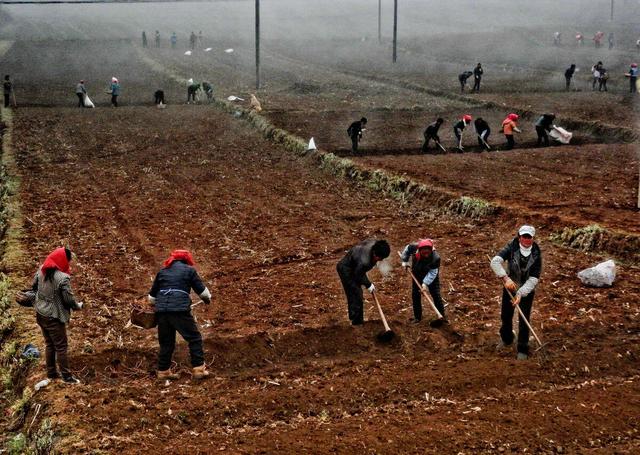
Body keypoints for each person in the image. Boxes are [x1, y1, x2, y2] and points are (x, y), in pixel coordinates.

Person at [149, 250, 212, 380]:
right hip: (179, 311)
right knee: (194, 338)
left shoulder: (163, 272)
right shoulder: (189, 271)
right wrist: (207, 300)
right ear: (187, 260)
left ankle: (163, 371)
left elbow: (151, 298)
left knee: (166, 342)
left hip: (162, 312)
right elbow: (204, 293)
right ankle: (199, 369)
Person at [490, 225, 542, 360]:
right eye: (524, 236)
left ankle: (523, 348)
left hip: (527, 289)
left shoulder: (536, 253)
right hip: (510, 286)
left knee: (524, 319)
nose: (526, 239)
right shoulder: (511, 248)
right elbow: (495, 262)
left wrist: (521, 293)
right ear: (519, 237)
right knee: (506, 316)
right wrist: (505, 278)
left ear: (533, 238)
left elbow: (534, 278)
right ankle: (507, 339)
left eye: (529, 237)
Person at [32, 247, 83, 384]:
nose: (69, 264)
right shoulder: (62, 278)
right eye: (69, 261)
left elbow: (34, 287)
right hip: (53, 316)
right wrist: (77, 306)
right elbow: (68, 299)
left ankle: (52, 373)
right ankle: (67, 377)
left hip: (40, 313)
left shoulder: (41, 269)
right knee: (61, 346)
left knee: (49, 344)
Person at [336, 239, 390, 326]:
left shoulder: (374, 246)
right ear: (375, 253)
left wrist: (366, 282)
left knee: (356, 293)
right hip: (345, 269)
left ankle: (355, 318)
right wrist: (368, 284)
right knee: (356, 293)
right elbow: (358, 274)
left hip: (355, 267)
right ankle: (356, 322)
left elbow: (360, 271)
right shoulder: (364, 261)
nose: (380, 260)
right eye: (380, 258)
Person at [400, 239, 446, 327]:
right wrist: (405, 261)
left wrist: (425, 284)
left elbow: (433, 273)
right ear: (419, 250)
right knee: (415, 294)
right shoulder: (413, 247)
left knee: (436, 294)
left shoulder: (436, 258)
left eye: (428, 253)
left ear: (431, 250)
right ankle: (417, 317)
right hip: (417, 272)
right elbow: (407, 249)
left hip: (430, 274)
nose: (426, 255)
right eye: (424, 253)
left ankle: (442, 316)